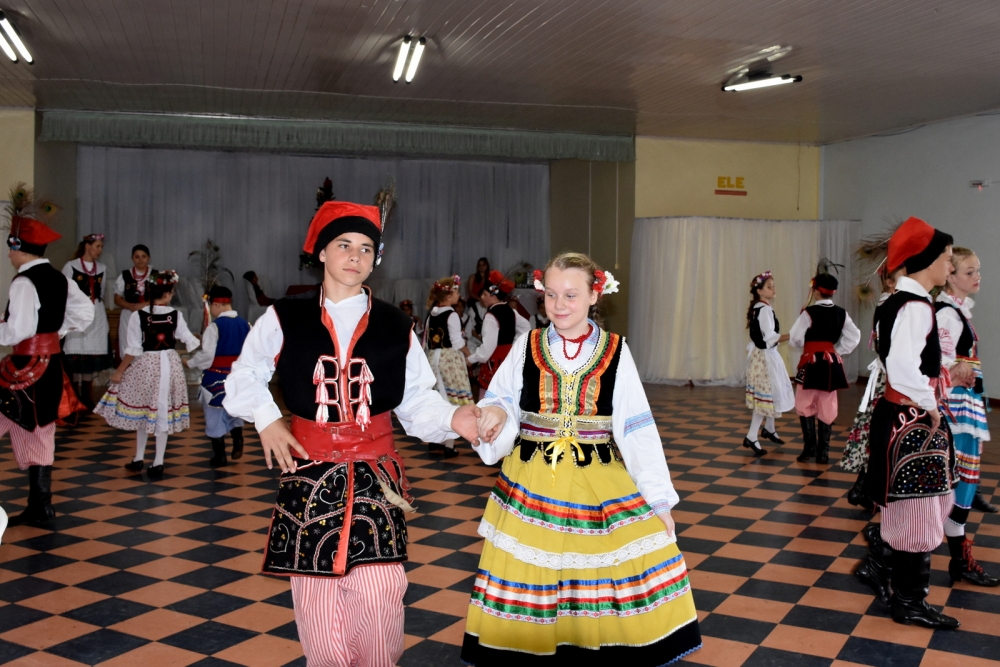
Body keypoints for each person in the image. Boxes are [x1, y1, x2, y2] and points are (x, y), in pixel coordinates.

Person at [222, 201, 481, 667]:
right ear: (322, 252)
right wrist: (266, 418)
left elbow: (416, 399)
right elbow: (245, 374)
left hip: (375, 474)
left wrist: (453, 419)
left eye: (365, 248)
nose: (354, 256)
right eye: (344, 245)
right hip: (308, 472)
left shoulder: (396, 324)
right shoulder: (284, 316)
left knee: (382, 588)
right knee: (315, 595)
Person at [463, 252, 701, 665]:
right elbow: (502, 397)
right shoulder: (527, 345)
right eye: (551, 295)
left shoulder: (616, 350)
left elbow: (636, 427)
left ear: (595, 295)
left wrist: (658, 499)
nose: (559, 305)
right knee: (533, 568)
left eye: (571, 295)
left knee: (596, 566)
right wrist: (496, 413)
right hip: (532, 478)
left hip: (597, 479)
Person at [858, 216, 959, 629]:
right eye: (948, 258)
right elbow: (902, 367)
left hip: (897, 414)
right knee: (920, 508)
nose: (950, 266)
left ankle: (882, 570)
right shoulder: (916, 306)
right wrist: (930, 404)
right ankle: (909, 602)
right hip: (911, 418)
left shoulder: (894, 301)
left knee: (909, 506)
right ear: (927, 260)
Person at [0, 215, 94, 524]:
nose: (8, 254)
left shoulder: (24, 282)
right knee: (41, 429)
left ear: (20, 248)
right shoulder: (60, 278)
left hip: (24, 367)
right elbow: (85, 311)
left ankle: (40, 505)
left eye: (10, 248)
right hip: (51, 364)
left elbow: (18, 330)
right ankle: (41, 505)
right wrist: (55, 332)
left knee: (30, 424)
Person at [96, 270, 200, 481]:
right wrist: (200, 339)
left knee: (145, 410)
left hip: (146, 365)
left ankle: (140, 457)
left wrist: (120, 370)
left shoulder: (138, 316)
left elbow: (133, 349)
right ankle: (157, 461)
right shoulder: (175, 315)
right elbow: (189, 340)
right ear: (168, 293)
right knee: (160, 411)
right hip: (169, 365)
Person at [935, 247, 998, 586]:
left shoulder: (957, 312)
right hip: (955, 407)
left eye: (978, 270)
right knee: (955, 483)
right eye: (969, 272)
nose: (977, 277)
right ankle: (887, 553)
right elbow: (935, 361)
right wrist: (956, 368)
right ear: (951, 275)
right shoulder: (946, 314)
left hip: (964, 405)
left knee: (961, 482)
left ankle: (959, 561)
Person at [789, 271, 862, 463]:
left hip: (811, 361)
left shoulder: (809, 313)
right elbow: (855, 336)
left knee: (804, 400)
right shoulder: (841, 313)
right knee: (827, 401)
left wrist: (806, 346)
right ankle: (823, 452)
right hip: (831, 363)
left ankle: (809, 448)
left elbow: (795, 337)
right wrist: (837, 350)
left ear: (816, 291)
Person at [841, 270, 897, 511]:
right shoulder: (890, 305)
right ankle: (865, 488)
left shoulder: (888, 303)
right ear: (889, 281)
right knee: (882, 433)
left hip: (885, 376)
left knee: (876, 432)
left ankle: (863, 488)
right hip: (888, 377)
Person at [186, 285, 251, 468]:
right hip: (238, 377)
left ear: (215, 305)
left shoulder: (215, 326)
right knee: (234, 410)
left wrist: (190, 362)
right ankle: (238, 439)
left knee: (214, 414)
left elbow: (208, 356)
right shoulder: (246, 324)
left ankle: (220, 455)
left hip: (216, 377)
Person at [743, 271, 794, 456]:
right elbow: (770, 337)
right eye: (769, 287)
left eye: (773, 286)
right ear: (759, 291)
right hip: (764, 358)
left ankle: (769, 428)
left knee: (771, 394)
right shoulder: (764, 310)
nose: (773, 289)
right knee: (765, 397)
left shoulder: (760, 308)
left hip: (763, 356)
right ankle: (751, 436)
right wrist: (792, 335)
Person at [423, 275, 474, 457]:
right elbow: (457, 342)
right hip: (448, 359)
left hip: (433, 358)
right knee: (451, 402)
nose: (459, 295)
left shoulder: (432, 314)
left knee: (439, 399)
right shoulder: (451, 315)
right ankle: (449, 445)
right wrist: (470, 355)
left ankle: (436, 440)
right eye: (457, 292)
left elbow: (426, 341)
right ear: (449, 295)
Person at [62, 233, 112, 408]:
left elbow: (101, 291)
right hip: (76, 313)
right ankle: (74, 396)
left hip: (95, 313)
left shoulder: (102, 268)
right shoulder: (71, 266)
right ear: (87, 246)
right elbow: (64, 292)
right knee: (76, 353)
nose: (99, 250)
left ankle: (87, 396)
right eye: (97, 246)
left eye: (101, 247)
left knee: (90, 356)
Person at [465, 270, 530, 397]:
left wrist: (471, 359)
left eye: (484, 294)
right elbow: (525, 326)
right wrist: (513, 345)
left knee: (490, 397)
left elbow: (486, 352)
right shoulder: (511, 311)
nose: (481, 297)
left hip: (495, 362)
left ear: (494, 296)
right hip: (509, 360)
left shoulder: (491, 316)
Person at [113, 244, 155, 359]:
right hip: (129, 315)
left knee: (147, 343)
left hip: (149, 314)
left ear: (149, 258)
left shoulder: (156, 275)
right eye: (137, 257)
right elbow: (117, 298)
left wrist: (143, 305)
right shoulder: (125, 275)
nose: (140, 260)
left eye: (143, 256)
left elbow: (161, 298)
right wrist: (130, 306)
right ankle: (128, 368)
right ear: (132, 258)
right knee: (128, 344)